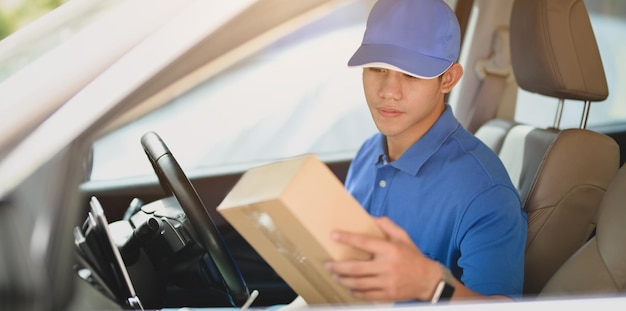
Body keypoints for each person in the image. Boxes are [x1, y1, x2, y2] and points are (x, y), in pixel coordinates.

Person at [323, 0, 528, 304]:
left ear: (448, 79)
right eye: (377, 68)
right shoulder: (368, 154)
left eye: (411, 74)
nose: (388, 91)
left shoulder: (485, 191)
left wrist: (431, 286)